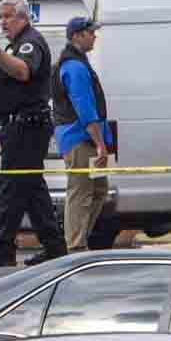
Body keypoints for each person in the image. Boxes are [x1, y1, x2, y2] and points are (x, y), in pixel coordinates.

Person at [0, 0, 66, 267]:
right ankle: (54, 246)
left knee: (12, 188)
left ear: (23, 17)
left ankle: (3, 251)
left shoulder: (30, 42)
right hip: (19, 126)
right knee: (32, 190)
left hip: (26, 127)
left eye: (7, 16)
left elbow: (23, 72)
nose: (2, 22)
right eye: (0, 17)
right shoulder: (17, 44)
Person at [54, 16, 113, 252]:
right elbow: (85, 108)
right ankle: (76, 247)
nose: (94, 36)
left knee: (99, 189)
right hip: (79, 138)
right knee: (80, 192)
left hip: (85, 137)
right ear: (77, 36)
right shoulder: (75, 67)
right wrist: (100, 143)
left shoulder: (78, 62)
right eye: (90, 32)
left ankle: (80, 239)